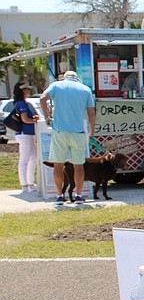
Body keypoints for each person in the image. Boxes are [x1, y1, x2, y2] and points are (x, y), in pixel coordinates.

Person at [40, 70, 96, 203]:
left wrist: (47, 117)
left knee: (58, 165)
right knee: (78, 165)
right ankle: (79, 195)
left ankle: (59, 195)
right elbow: (91, 114)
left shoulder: (56, 86)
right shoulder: (85, 89)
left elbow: (42, 99)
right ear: (77, 79)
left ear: (64, 78)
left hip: (60, 131)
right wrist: (91, 133)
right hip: (78, 132)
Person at [12, 81, 40, 192]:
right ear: (23, 90)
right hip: (24, 134)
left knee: (33, 158)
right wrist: (35, 120)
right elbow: (25, 120)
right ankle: (24, 184)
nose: (29, 91)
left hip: (28, 134)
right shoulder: (21, 104)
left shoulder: (23, 103)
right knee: (25, 159)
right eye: (27, 89)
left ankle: (30, 182)